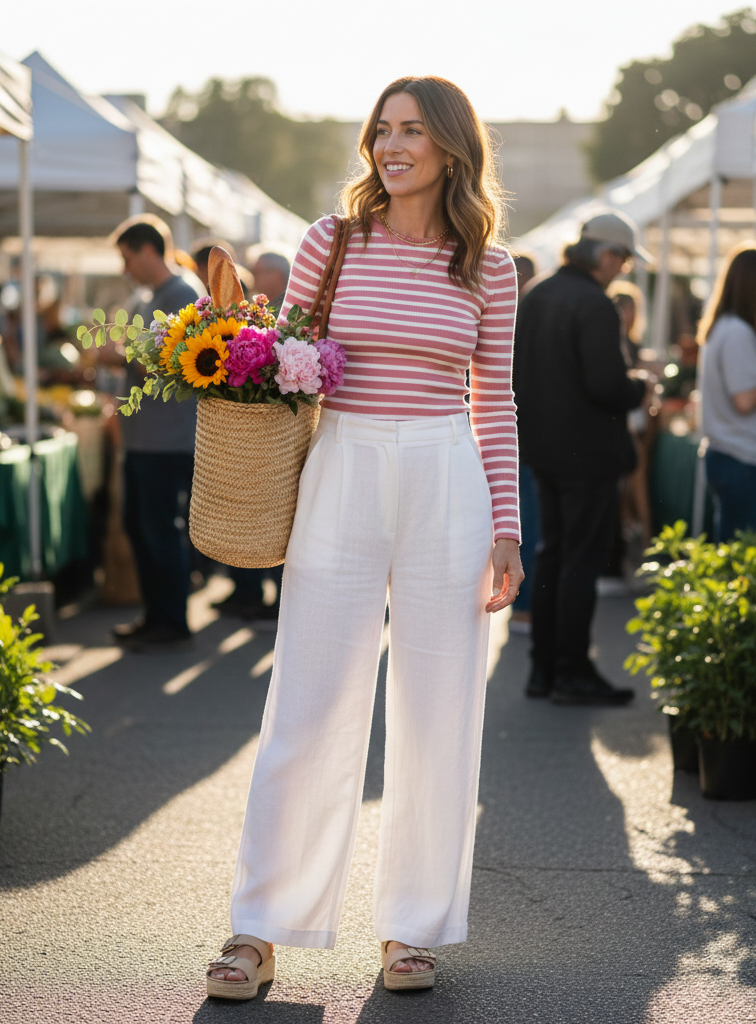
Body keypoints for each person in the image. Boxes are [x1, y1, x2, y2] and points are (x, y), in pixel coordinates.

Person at [206, 75, 522, 1000]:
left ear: (452, 148)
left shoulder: (490, 268)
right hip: (340, 461)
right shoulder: (330, 242)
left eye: (412, 130)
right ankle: (260, 928)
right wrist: (234, 362)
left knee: (439, 706)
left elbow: (493, 400)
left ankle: (411, 930)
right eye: (381, 129)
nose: (391, 144)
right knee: (306, 696)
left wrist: (506, 524)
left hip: (444, 469)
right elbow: (291, 360)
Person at [514, 212, 647, 705]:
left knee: (553, 553)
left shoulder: (541, 292)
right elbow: (608, 384)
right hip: (587, 453)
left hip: (543, 447)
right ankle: (570, 668)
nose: (623, 271)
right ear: (608, 255)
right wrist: (641, 387)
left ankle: (544, 669)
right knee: (579, 561)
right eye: (625, 261)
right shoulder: (594, 304)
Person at [112, 217, 201, 651]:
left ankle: (172, 620)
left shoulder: (183, 294)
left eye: (127, 258)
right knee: (144, 527)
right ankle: (157, 615)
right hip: (146, 438)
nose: (125, 268)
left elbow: (175, 362)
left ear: (147, 250)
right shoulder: (152, 297)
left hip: (167, 440)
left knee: (160, 529)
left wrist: (122, 355)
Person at [210, 250, 293, 624]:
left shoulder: (286, 313)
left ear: (277, 275)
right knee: (252, 516)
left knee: (276, 518)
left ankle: (276, 599)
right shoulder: (254, 312)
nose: (254, 277)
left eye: (260, 272)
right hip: (250, 430)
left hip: (276, 435)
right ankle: (251, 593)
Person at [698, 244, 756, 540]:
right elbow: (744, 399)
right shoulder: (737, 332)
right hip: (739, 457)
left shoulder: (724, 327)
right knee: (738, 557)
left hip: (728, 454)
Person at [509, 254, 538, 635]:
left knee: (522, 520)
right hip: (523, 435)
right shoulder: (528, 317)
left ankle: (523, 606)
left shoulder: (525, 316)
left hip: (519, 433)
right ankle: (524, 607)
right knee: (525, 520)